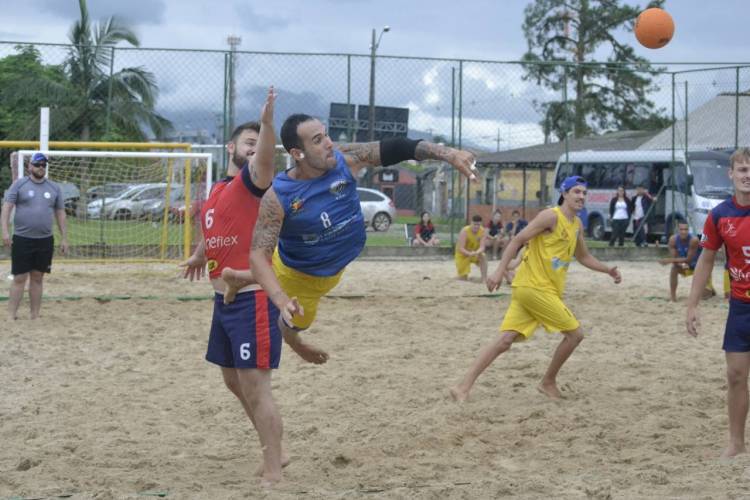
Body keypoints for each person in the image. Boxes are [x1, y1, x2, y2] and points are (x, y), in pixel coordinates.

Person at [225, 113, 476, 365]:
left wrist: (450, 154)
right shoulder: (278, 196)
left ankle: (237, 278)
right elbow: (258, 256)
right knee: (294, 322)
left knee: (276, 280)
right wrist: (280, 301)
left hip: (329, 266)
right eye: (317, 140)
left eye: (326, 135)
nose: (328, 143)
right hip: (302, 278)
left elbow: (398, 147)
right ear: (297, 153)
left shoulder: (344, 159)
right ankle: (296, 343)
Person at [180, 88, 288, 485]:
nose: (254, 147)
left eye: (257, 143)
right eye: (248, 141)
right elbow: (215, 227)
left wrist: (267, 125)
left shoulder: (253, 182)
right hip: (222, 299)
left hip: (252, 297)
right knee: (232, 379)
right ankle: (274, 445)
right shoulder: (219, 192)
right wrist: (197, 255)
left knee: (256, 387)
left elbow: (265, 158)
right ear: (230, 147)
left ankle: (274, 469)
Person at [450, 176, 622, 402]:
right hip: (534, 288)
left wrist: (607, 270)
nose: (581, 196)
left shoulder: (577, 224)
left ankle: (462, 387)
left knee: (504, 341)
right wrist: (499, 271)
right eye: (576, 192)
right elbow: (517, 240)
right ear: (564, 193)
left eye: (584, 193)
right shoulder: (550, 216)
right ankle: (548, 382)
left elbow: (583, 256)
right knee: (575, 335)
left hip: (535, 290)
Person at [686, 147, 750, 459]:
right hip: (740, 307)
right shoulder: (720, 215)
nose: (748, 175)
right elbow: (706, 259)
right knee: (736, 375)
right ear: (731, 174)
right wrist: (692, 305)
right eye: (742, 170)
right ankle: (736, 445)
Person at [1, 152, 68, 321]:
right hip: (23, 239)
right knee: (19, 277)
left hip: (45, 240)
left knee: (38, 277)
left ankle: (35, 316)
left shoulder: (54, 188)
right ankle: (11, 315)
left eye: (43, 165)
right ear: (30, 166)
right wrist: (5, 232)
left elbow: (60, 213)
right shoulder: (19, 185)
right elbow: (7, 208)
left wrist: (64, 237)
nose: (41, 168)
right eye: (38, 164)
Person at [659, 221, 715, 302]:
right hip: (686, 265)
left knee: (705, 296)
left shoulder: (694, 240)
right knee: (674, 268)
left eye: (686, 229)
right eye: (681, 229)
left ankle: (710, 290)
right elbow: (675, 258)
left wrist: (669, 260)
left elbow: (688, 259)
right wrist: (680, 264)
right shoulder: (673, 240)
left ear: (689, 230)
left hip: (699, 266)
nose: (684, 231)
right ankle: (673, 296)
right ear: (677, 230)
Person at [455, 214, 488, 282]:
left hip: (474, 252)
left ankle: (484, 278)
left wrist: (477, 252)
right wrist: (469, 253)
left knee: (483, 256)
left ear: (480, 224)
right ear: (471, 223)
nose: (476, 226)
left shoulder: (482, 231)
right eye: (475, 224)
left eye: (478, 224)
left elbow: (482, 247)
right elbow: (461, 248)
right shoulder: (465, 231)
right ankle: (459, 277)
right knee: (463, 279)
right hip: (462, 255)